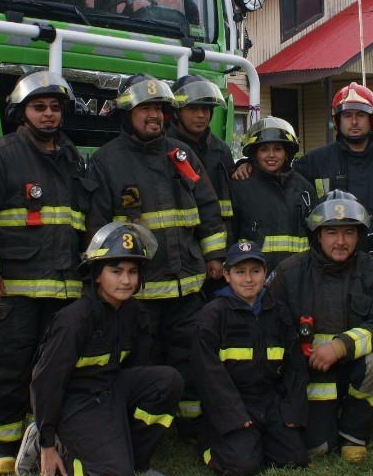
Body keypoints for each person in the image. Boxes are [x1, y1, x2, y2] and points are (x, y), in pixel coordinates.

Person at [87, 73, 226, 437]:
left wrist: (214, 257)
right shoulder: (106, 161)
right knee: (142, 360)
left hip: (186, 285)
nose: (154, 116)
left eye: (160, 109)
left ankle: (191, 427)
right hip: (139, 291)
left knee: (190, 356)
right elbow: (98, 227)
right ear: (126, 113)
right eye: (145, 108)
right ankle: (141, 432)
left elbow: (208, 208)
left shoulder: (181, 154)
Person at [0, 71, 90, 475]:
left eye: (55, 108)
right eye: (39, 107)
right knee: (7, 364)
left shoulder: (73, 158)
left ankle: (41, 438)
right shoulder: (1, 155)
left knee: (53, 368)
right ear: (21, 113)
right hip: (14, 287)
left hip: (61, 286)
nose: (48, 115)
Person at [16, 222, 183, 476]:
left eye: (132, 272)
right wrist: (48, 441)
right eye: (115, 271)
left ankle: (135, 460)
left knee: (167, 381)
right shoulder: (73, 321)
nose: (126, 281)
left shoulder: (136, 314)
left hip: (111, 392)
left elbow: (137, 370)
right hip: (75, 402)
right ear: (96, 275)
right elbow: (45, 383)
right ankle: (46, 445)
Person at [267, 191, 373, 462]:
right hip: (309, 374)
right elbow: (268, 324)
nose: (340, 242)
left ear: (359, 236)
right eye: (331, 232)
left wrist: (341, 346)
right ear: (318, 235)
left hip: (355, 366)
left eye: (349, 233)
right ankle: (325, 427)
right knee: (315, 448)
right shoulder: (289, 272)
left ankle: (355, 432)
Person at [234, 83, 373, 261]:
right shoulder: (314, 162)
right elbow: (278, 174)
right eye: (348, 115)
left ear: (372, 118)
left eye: (361, 115)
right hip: (327, 263)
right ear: (337, 120)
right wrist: (248, 164)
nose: (354, 122)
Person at [192, 241, 309, 476]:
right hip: (234, 401)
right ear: (226, 275)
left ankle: (254, 440)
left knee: (294, 459)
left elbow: (295, 367)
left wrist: (292, 412)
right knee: (242, 467)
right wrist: (232, 414)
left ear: (265, 273)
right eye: (240, 272)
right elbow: (208, 372)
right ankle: (208, 443)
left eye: (255, 271)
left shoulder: (278, 312)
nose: (248, 279)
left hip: (268, 399)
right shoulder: (213, 314)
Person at [169, 74, 236, 297]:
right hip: (180, 254)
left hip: (217, 254)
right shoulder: (165, 149)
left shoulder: (220, 150)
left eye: (206, 109)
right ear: (177, 112)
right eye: (193, 109)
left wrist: (248, 165)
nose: (201, 115)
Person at [229, 117, 315, 272]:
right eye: (264, 149)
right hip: (253, 278)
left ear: (287, 152)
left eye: (277, 149)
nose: (271, 155)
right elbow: (230, 233)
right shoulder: (240, 186)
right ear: (254, 154)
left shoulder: (304, 189)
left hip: (298, 276)